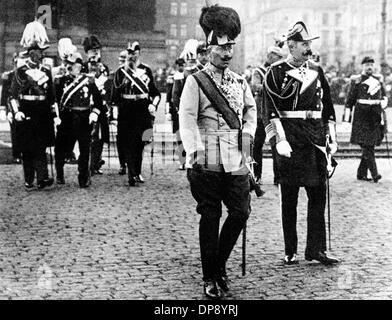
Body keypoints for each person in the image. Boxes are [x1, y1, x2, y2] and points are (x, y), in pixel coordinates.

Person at [179, 4, 256, 299]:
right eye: (222, 48)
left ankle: (219, 264)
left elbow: (250, 112)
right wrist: (194, 149)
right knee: (210, 215)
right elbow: (186, 118)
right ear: (209, 47)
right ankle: (210, 276)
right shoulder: (196, 81)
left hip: (235, 156)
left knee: (240, 211)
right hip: (206, 156)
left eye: (231, 47)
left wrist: (247, 136)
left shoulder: (239, 81)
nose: (227, 53)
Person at [262, 21, 339, 266]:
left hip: (315, 139)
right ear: (291, 46)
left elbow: (327, 107)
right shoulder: (275, 72)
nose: (309, 49)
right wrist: (279, 141)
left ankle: (316, 249)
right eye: (304, 45)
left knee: (318, 196)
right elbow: (269, 111)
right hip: (290, 140)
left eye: (310, 44)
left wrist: (332, 138)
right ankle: (290, 249)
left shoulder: (317, 70)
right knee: (290, 197)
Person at [9, 20, 60, 190]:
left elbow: (51, 97)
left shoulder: (46, 71)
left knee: (41, 147)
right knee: (27, 148)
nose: (39, 54)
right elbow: (13, 95)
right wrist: (16, 112)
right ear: (29, 53)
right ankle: (29, 178)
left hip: (42, 112)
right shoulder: (21, 72)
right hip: (26, 111)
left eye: (40, 52)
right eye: (35, 52)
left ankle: (42, 179)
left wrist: (55, 115)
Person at [111, 41, 161, 186]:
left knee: (140, 142)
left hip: (142, 110)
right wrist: (115, 112)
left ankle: (137, 172)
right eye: (129, 52)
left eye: (134, 52)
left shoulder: (147, 70)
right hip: (126, 111)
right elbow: (114, 96)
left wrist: (153, 105)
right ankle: (131, 173)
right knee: (127, 142)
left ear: (139, 53)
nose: (131, 55)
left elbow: (155, 93)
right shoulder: (121, 72)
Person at [54, 52, 103, 188]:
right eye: (68, 64)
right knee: (61, 148)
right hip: (67, 118)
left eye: (73, 64)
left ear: (80, 66)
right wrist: (56, 117)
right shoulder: (60, 80)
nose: (70, 67)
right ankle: (59, 173)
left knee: (84, 149)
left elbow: (98, 102)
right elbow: (55, 101)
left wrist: (94, 114)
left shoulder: (89, 80)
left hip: (83, 118)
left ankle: (83, 177)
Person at [343, 56, 388, 182]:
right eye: (367, 65)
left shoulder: (378, 80)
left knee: (369, 146)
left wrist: (383, 104)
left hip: (375, 117)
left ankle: (361, 173)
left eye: (371, 64)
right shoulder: (356, 81)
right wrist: (346, 121)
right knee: (368, 146)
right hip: (361, 118)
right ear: (362, 66)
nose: (369, 67)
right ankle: (375, 174)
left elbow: (384, 96)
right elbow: (349, 101)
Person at [251, 45, 284, 185]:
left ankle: (279, 177)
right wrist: (271, 86)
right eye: (275, 56)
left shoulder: (281, 71)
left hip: (275, 113)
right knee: (257, 145)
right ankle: (257, 175)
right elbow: (255, 86)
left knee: (277, 145)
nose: (277, 59)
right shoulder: (259, 71)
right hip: (260, 113)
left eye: (278, 57)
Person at [173, 39, 207, 170]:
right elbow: (176, 94)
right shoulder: (183, 74)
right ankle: (187, 161)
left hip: (201, 109)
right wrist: (180, 109)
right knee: (185, 135)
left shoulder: (203, 71)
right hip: (187, 109)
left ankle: (198, 162)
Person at [82, 35, 110, 176]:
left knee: (100, 137)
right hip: (87, 106)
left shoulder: (104, 68)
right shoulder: (82, 67)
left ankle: (96, 162)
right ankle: (87, 163)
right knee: (88, 136)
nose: (95, 53)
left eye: (97, 50)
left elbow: (107, 88)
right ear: (87, 52)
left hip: (101, 107)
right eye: (92, 51)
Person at [0, 53, 24, 163]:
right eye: (17, 62)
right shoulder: (8, 76)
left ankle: (25, 152)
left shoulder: (25, 75)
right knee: (15, 131)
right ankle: (17, 154)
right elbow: (5, 94)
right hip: (12, 106)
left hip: (24, 105)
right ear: (14, 63)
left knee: (25, 131)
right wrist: (4, 109)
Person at [115, 50, 128, 175]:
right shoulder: (118, 74)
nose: (122, 62)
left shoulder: (134, 73)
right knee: (121, 139)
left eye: (124, 60)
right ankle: (122, 163)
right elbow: (114, 93)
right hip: (122, 110)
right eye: (121, 60)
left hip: (133, 111)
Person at [165, 57, 185, 136]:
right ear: (176, 66)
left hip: (185, 104)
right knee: (177, 129)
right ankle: (179, 147)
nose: (181, 67)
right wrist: (167, 111)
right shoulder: (172, 77)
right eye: (179, 65)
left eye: (182, 65)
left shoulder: (187, 76)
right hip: (175, 106)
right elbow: (168, 95)